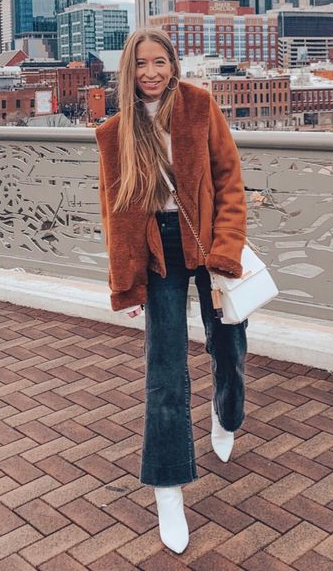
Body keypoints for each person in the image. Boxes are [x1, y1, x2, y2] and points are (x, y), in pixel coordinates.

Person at [95, 28, 248, 554]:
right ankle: (168, 489)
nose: (152, 72)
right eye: (142, 64)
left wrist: (226, 254)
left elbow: (229, 182)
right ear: (129, 71)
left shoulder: (200, 107)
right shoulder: (117, 132)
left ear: (174, 64)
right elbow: (115, 214)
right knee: (164, 371)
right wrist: (127, 281)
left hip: (206, 241)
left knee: (226, 343)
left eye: (160, 61)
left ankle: (226, 413)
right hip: (158, 249)